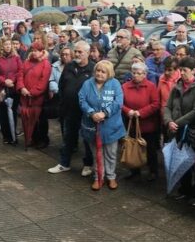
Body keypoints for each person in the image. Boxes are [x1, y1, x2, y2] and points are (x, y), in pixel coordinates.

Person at [163, 57, 195, 203]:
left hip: (192, 131)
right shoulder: (177, 86)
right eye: (180, 70)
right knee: (180, 161)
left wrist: (177, 122)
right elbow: (167, 107)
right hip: (176, 130)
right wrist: (168, 121)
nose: (181, 73)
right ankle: (184, 189)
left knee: (194, 163)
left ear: (194, 71)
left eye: (185, 70)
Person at [48, 41, 95, 175]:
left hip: (85, 111)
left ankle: (88, 165)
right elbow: (62, 85)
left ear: (87, 53)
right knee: (68, 138)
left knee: (87, 139)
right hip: (69, 110)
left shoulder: (92, 69)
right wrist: (62, 103)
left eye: (81, 52)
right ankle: (64, 163)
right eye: (76, 51)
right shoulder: (69, 66)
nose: (78, 54)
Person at [79, 60, 125, 191]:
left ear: (109, 73)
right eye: (98, 70)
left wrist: (105, 113)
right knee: (96, 153)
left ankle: (111, 177)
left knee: (111, 153)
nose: (99, 73)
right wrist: (92, 113)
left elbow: (118, 102)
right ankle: (98, 177)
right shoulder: (87, 84)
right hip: (91, 125)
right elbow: (81, 100)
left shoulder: (115, 83)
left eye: (103, 71)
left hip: (111, 126)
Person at [122, 62, 161, 181]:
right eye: (134, 73)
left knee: (150, 149)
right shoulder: (124, 86)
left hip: (148, 124)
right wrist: (128, 111)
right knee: (132, 147)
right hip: (131, 123)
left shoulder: (151, 86)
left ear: (145, 74)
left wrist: (141, 112)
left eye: (139, 73)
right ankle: (134, 170)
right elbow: (120, 103)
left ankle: (153, 171)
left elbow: (156, 104)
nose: (136, 75)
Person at [17, 42, 52, 149]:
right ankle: (31, 138)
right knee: (27, 118)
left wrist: (31, 92)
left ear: (42, 52)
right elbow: (20, 76)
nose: (34, 53)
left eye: (36, 51)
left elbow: (43, 82)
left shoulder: (46, 64)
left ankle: (42, 140)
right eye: (32, 50)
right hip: (25, 97)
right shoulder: (26, 62)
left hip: (37, 99)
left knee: (39, 119)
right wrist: (22, 88)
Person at [0, 38, 23, 145]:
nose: (8, 46)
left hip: (13, 88)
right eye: (6, 44)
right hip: (1, 89)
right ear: (1, 45)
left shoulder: (16, 57)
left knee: (13, 111)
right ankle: (6, 136)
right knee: (4, 112)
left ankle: (13, 134)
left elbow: (20, 70)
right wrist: (4, 81)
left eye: (9, 44)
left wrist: (12, 80)